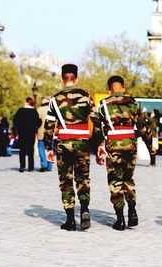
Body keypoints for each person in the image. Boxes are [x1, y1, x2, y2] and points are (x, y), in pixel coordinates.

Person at [94, 75, 152, 231]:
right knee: (128, 178)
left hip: (112, 143)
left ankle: (120, 218)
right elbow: (142, 126)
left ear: (109, 90)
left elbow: (97, 129)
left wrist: (98, 147)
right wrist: (149, 144)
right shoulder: (133, 103)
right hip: (130, 144)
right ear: (123, 88)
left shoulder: (103, 105)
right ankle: (132, 210)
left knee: (115, 180)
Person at [44, 64, 98, 231]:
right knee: (83, 179)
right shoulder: (86, 97)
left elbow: (49, 125)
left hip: (63, 143)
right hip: (82, 142)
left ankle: (70, 219)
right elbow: (96, 122)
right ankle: (85, 211)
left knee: (66, 180)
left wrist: (48, 147)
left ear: (62, 78)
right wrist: (99, 144)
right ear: (76, 78)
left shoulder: (54, 99)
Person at [13, 98, 41, 172]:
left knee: (22, 149)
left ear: (26, 102)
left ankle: (22, 166)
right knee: (30, 150)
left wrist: (16, 131)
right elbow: (38, 122)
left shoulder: (20, 111)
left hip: (22, 132)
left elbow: (15, 121)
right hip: (31, 133)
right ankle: (31, 167)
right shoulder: (34, 112)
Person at [37, 96, 53, 172]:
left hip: (41, 132)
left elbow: (37, 121)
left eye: (42, 100)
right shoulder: (53, 110)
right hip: (51, 133)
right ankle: (50, 165)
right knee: (50, 149)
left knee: (41, 149)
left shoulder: (39, 110)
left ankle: (44, 165)